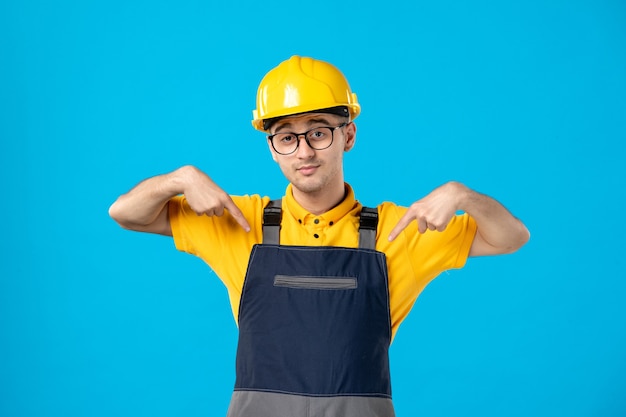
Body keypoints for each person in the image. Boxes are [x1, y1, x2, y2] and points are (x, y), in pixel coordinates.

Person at [109, 55, 530, 417]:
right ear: (272, 147)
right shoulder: (241, 221)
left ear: (348, 135)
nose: (305, 152)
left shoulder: (398, 230)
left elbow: (510, 238)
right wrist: (178, 180)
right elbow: (125, 213)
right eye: (287, 137)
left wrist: (463, 196)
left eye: (318, 131)